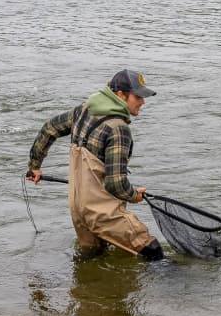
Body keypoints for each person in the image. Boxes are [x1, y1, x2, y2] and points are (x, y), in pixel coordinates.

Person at [27, 70, 165, 260]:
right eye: (138, 96)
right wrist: (134, 195)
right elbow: (115, 184)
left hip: (78, 210)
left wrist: (34, 166)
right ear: (120, 95)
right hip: (102, 212)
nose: (143, 102)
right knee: (152, 251)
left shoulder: (83, 110)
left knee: (91, 259)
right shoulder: (119, 129)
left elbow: (49, 128)